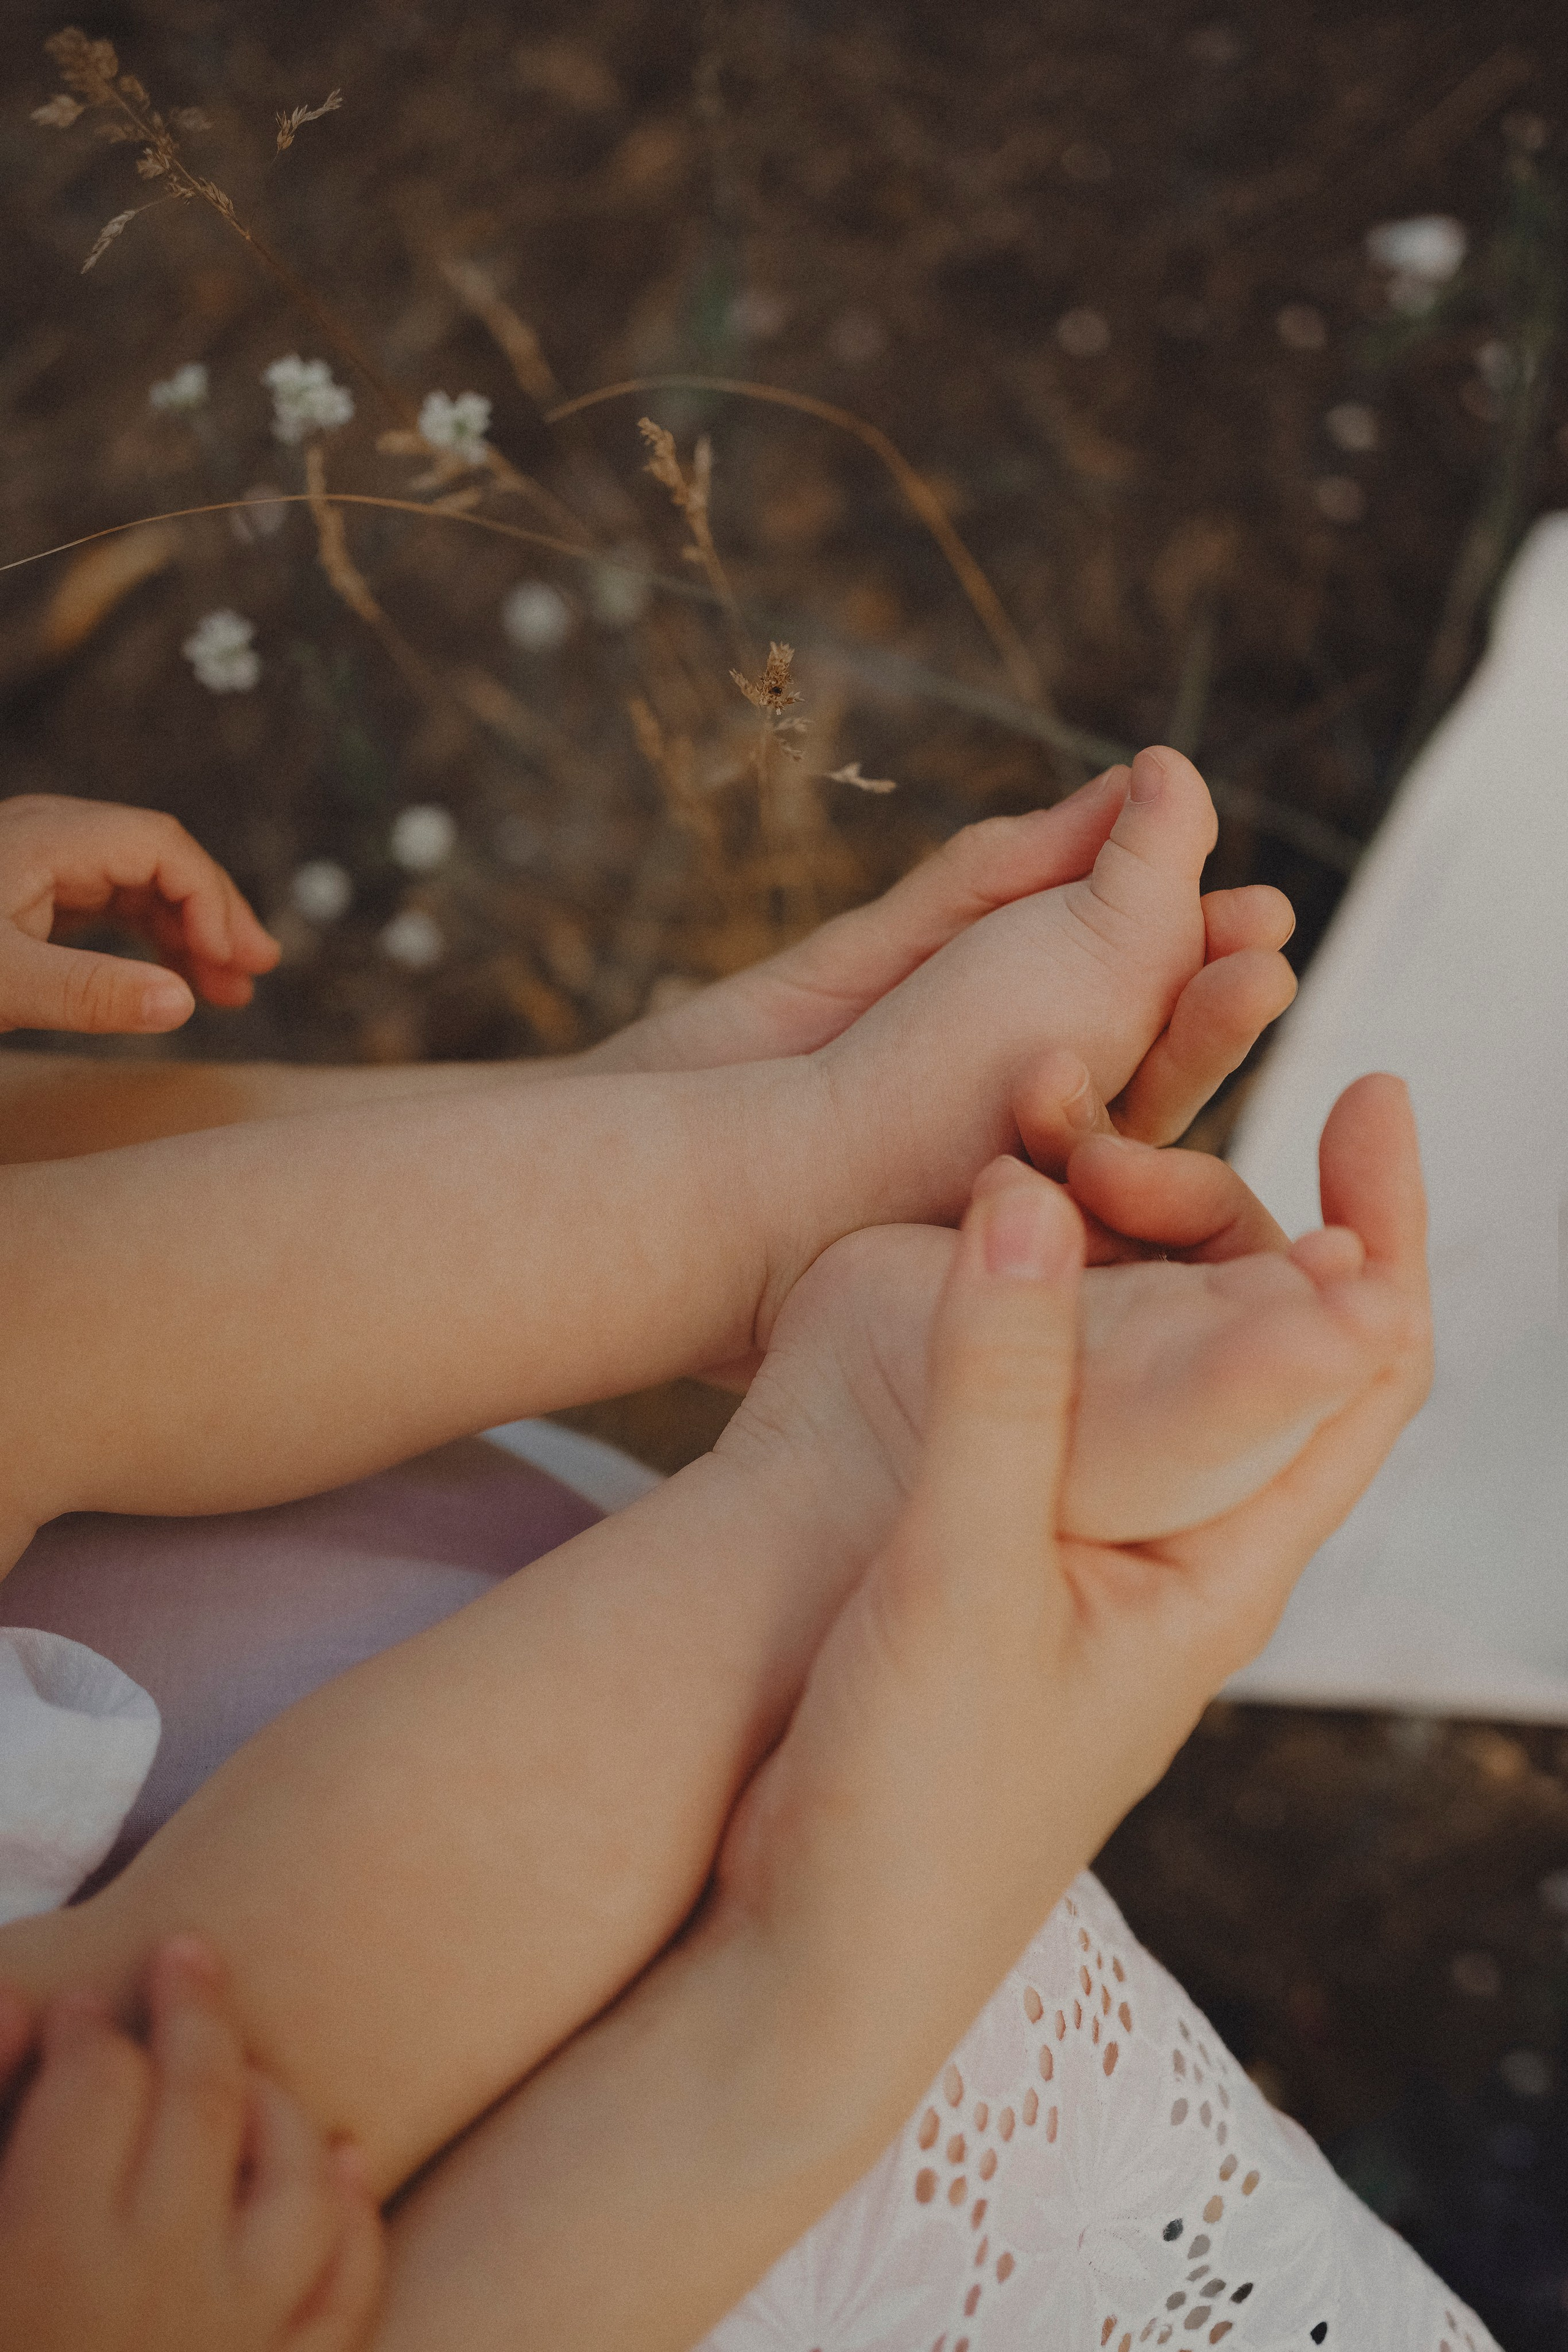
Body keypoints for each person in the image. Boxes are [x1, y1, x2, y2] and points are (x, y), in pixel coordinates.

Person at [0, 777, 1479, 2345]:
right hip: (604, 2169)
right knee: (141, 2104)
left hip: (690, 1863)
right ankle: (839, 1399)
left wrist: (619, 1103)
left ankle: (778, 1211)